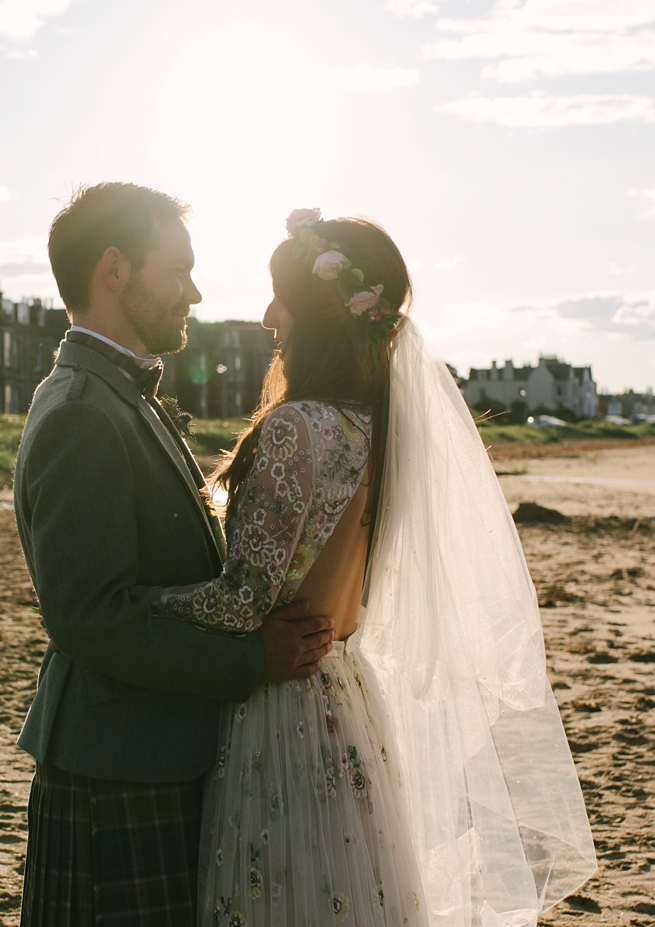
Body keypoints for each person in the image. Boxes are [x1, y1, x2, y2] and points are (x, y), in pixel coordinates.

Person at [136, 210, 596, 927]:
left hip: (281, 708)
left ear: (317, 314)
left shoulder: (297, 428)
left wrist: (143, 600)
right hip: (345, 697)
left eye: (280, 298)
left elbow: (241, 602)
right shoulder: (377, 427)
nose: (266, 317)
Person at [16, 183, 334, 927]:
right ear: (116, 270)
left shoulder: (122, 397)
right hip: (115, 770)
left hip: (151, 751)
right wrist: (251, 660)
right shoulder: (80, 414)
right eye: (179, 268)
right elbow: (90, 617)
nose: (194, 290)